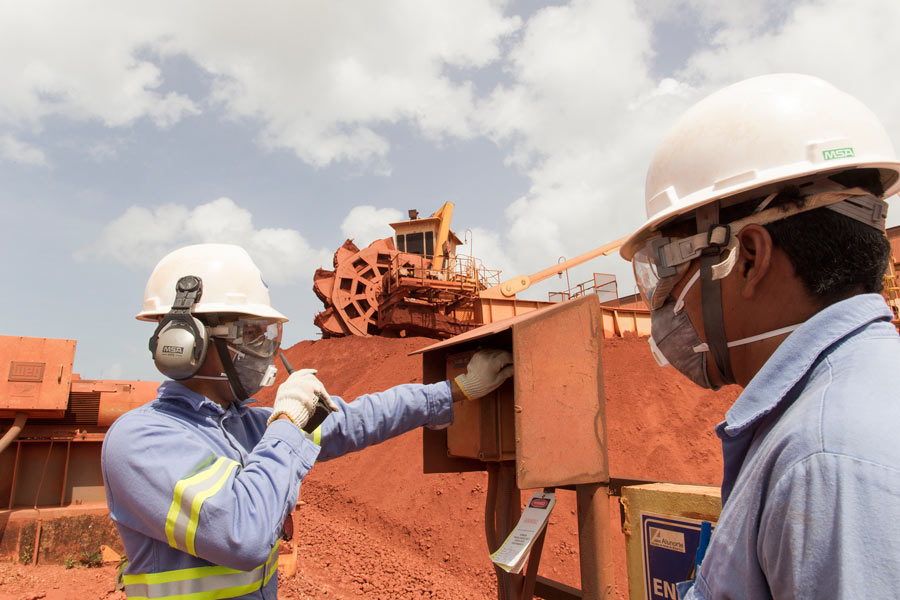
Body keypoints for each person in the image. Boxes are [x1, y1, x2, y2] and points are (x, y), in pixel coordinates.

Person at [619, 73, 900, 599]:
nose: (666, 301)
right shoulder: (847, 405)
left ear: (746, 258)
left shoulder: (827, 462)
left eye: (668, 268)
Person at [101, 243, 513, 599]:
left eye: (266, 335)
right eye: (250, 334)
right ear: (185, 340)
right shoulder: (142, 440)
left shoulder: (244, 426)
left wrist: (458, 389)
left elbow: (357, 419)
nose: (263, 349)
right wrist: (287, 424)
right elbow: (242, 535)